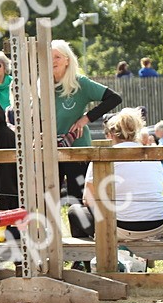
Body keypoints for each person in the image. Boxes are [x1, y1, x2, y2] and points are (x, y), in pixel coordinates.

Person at [68, 108, 163, 242]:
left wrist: (103, 223)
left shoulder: (103, 155)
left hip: (122, 228)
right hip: (159, 225)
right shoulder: (152, 155)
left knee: (74, 210)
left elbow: (88, 199)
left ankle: (86, 261)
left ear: (111, 134)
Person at [52, 40, 123, 205]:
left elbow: (114, 98)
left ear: (67, 60)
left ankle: (83, 231)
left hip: (76, 148)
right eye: (49, 57)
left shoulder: (79, 83)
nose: (53, 61)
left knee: (79, 199)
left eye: (57, 57)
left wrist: (86, 119)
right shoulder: (42, 85)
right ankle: (51, 231)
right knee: (49, 199)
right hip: (49, 149)